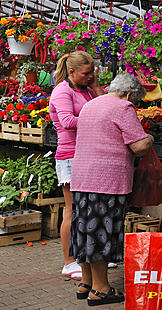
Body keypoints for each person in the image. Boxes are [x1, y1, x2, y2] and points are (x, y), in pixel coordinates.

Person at [70, 73, 153, 305]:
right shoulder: (123, 107)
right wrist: (150, 139)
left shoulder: (91, 104)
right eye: (135, 100)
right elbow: (138, 146)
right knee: (100, 232)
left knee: (84, 230)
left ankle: (86, 283)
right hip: (106, 181)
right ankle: (101, 289)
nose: (133, 104)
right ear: (129, 94)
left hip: (82, 176)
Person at [48, 51, 105, 278]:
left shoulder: (88, 90)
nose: (90, 76)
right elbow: (67, 121)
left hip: (88, 154)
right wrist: (100, 120)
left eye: (92, 72)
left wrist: (97, 85)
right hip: (70, 156)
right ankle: (69, 261)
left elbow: (105, 104)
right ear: (71, 72)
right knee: (73, 211)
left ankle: (92, 259)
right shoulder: (62, 91)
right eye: (86, 73)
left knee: (89, 209)